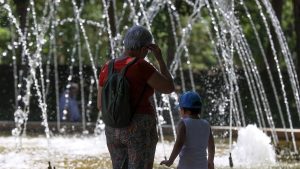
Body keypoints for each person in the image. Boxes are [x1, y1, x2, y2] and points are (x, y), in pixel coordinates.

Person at [97, 25, 175, 169]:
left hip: (113, 129)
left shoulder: (108, 67)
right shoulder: (141, 66)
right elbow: (169, 88)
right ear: (146, 48)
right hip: (138, 127)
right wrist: (160, 59)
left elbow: (100, 104)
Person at [160, 91, 215, 169]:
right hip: (203, 166)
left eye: (180, 109)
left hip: (186, 166)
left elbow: (179, 144)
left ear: (185, 110)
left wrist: (170, 160)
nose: (180, 111)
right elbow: (211, 146)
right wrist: (210, 161)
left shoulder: (183, 124)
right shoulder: (206, 124)